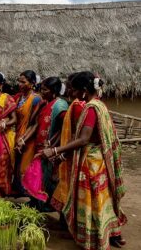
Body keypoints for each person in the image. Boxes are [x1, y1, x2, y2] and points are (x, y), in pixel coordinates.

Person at [40, 72, 127, 250]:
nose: (71, 92)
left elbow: (83, 139)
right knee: (103, 201)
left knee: (91, 203)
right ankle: (112, 234)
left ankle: (93, 240)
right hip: (99, 160)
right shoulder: (101, 105)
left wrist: (55, 150)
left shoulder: (90, 109)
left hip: (90, 163)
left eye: (74, 89)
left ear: (84, 91)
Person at [21, 77, 68, 211]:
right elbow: (36, 123)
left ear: (54, 91)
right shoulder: (45, 103)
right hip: (39, 145)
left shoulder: (60, 105)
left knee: (48, 178)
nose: (42, 92)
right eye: (41, 89)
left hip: (51, 149)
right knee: (37, 176)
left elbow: (63, 129)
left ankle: (45, 205)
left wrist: (53, 145)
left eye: (45, 90)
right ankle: (36, 202)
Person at [51, 73, 85, 213]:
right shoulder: (78, 105)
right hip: (73, 152)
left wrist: (61, 154)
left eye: (71, 88)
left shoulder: (77, 106)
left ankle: (67, 223)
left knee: (69, 188)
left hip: (72, 153)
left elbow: (75, 135)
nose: (68, 91)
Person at [13, 70, 43, 195]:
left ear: (32, 83)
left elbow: (35, 123)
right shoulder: (18, 97)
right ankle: (18, 190)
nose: (20, 84)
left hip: (28, 137)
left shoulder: (36, 99)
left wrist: (24, 139)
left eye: (23, 82)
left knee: (26, 166)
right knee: (16, 164)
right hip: (17, 134)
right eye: (19, 81)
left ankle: (29, 194)